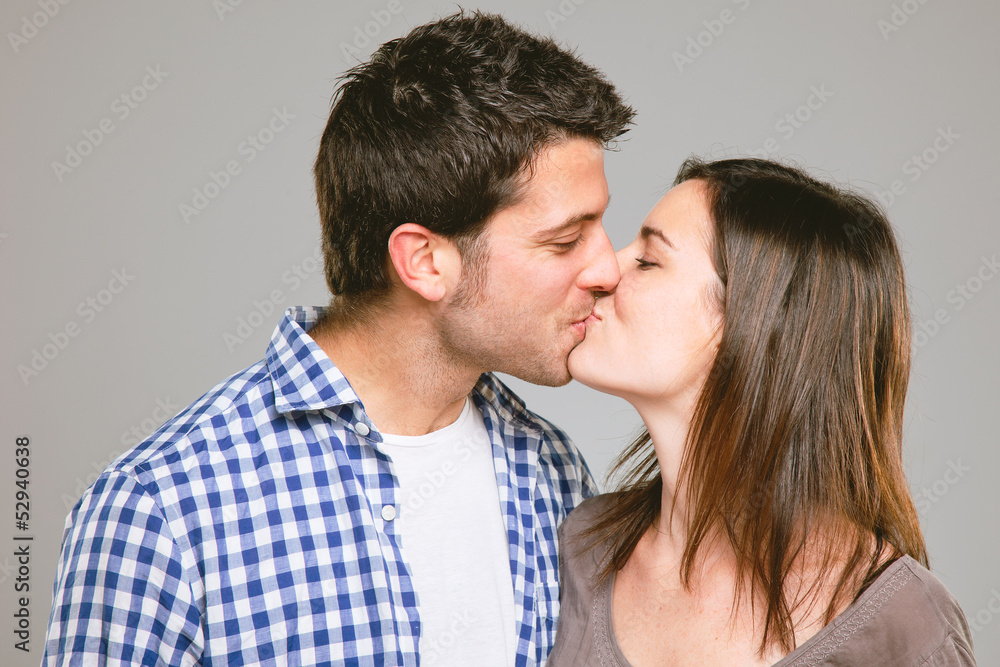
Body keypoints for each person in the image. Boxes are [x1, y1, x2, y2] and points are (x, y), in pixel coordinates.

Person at [43, 11, 634, 666]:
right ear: (424, 262)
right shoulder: (158, 511)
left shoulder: (552, 468)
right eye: (565, 240)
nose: (608, 269)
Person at [550, 157, 976, 666]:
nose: (602, 271)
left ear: (753, 325)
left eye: (648, 261)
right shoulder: (578, 546)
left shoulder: (905, 628)